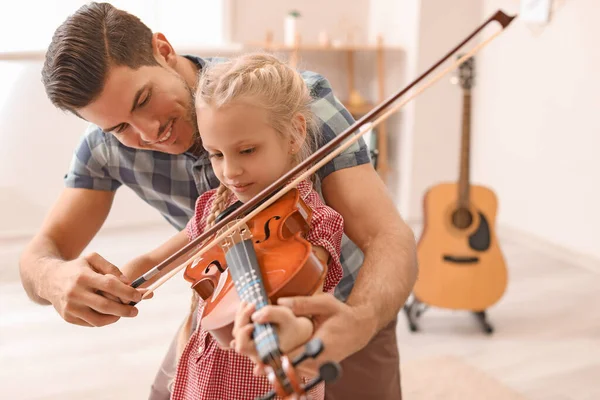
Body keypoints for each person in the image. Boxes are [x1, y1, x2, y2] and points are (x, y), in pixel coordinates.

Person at [19, 2, 417, 399]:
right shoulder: (104, 150)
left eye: (143, 100)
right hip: (222, 313)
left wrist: (361, 320)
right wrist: (54, 279)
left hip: (347, 304)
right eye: (120, 126)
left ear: (163, 50)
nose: (149, 131)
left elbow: (388, 236)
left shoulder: (292, 101)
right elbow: (38, 255)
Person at [121, 52, 344, 399]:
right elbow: (165, 256)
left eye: (248, 150)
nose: (230, 172)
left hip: (260, 380)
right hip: (205, 373)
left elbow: (308, 312)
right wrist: (136, 271)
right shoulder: (215, 206)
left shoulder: (314, 222)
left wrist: (294, 333)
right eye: (216, 154)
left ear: (294, 134)